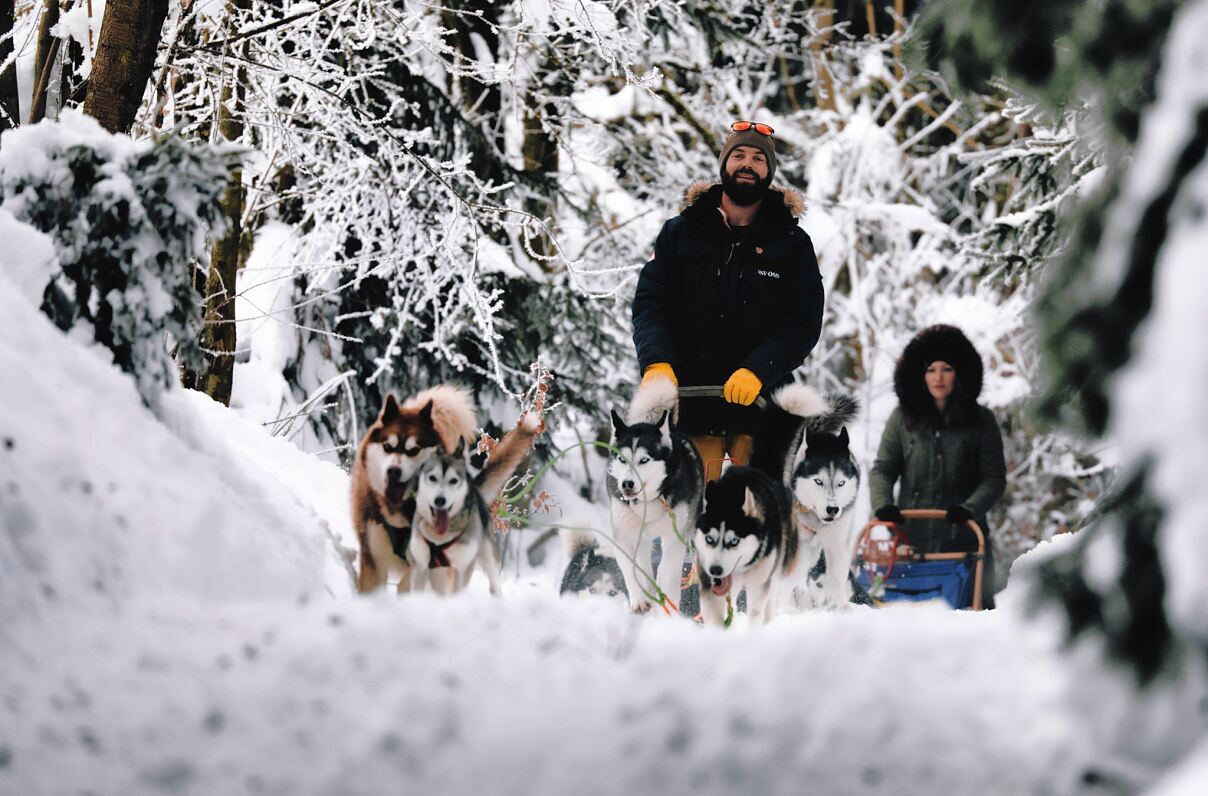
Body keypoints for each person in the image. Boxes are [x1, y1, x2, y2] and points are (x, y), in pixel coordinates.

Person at [631, 120, 825, 480]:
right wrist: (656, 362)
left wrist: (758, 369)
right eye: (739, 155)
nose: (747, 164)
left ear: (769, 171)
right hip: (691, 404)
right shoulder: (680, 233)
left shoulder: (792, 243)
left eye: (758, 158)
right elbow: (651, 303)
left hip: (760, 409)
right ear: (724, 165)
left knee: (754, 515)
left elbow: (802, 321)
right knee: (689, 515)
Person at [869, 324, 1006, 608]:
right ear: (920, 375)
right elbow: (883, 468)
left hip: (966, 547)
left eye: (947, 369)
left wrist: (968, 509)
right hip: (911, 546)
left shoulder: (981, 421)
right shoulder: (902, 420)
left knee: (970, 624)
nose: (939, 378)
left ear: (961, 373)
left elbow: (993, 479)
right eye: (931, 369)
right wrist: (883, 506)